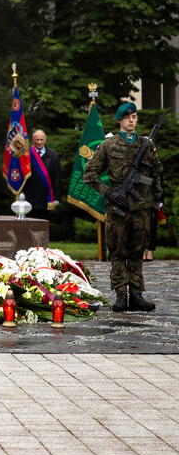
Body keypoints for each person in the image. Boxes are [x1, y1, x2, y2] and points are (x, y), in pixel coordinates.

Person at [84, 101, 162, 313]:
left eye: (134, 117)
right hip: (118, 207)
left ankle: (136, 295)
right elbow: (89, 174)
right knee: (118, 251)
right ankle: (120, 295)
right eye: (128, 117)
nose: (131, 120)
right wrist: (108, 192)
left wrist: (156, 201)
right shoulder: (108, 146)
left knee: (137, 251)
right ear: (119, 120)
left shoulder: (145, 144)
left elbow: (155, 175)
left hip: (141, 208)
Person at [29, 129, 61, 218]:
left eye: (41, 140)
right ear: (33, 140)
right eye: (37, 139)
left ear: (45, 140)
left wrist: (56, 198)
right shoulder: (26, 154)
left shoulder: (54, 156)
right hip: (28, 198)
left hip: (45, 198)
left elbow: (56, 177)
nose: (39, 142)